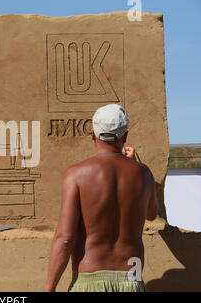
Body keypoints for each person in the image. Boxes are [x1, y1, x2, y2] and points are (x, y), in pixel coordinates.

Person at [45, 104, 158, 292]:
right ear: (125, 136)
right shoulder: (144, 174)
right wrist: (135, 165)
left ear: (93, 134)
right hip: (132, 278)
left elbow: (65, 239)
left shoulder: (76, 174)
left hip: (89, 281)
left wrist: (50, 288)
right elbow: (152, 214)